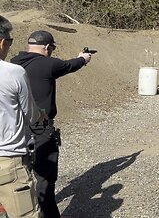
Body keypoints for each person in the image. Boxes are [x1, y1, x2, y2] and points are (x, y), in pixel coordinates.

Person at [11, 30, 92, 218]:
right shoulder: (48, 64)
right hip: (41, 130)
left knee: (22, 175)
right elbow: (71, 65)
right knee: (45, 178)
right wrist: (83, 58)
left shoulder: (14, 63)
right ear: (47, 47)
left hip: (17, 129)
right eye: (52, 48)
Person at [0, 15, 44, 217]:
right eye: (9, 41)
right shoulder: (13, 72)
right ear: (2, 42)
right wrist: (41, 115)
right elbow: (29, 114)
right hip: (8, 160)